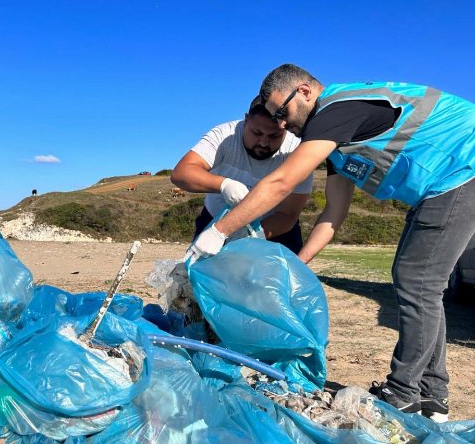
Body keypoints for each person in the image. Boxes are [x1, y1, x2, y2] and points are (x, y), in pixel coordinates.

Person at [188, 64, 475, 422]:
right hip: (443, 185)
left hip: (463, 170)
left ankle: (403, 393)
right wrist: (299, 261)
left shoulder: (336, 110)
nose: (281, 124)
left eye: (282, 112)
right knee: (420, 284)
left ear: (305, 92)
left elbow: (280, 183)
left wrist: (218, 232)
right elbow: (333, 215)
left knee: (417, 282)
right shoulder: (338, 141)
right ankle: (431, 396)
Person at [171, 97, 312, 254]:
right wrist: (224, 185)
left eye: (274, 136)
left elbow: (288, 214)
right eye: (257, 132)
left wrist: (247, 235)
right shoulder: (224, 135)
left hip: (275, 228)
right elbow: (181, 172)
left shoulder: (297, 150)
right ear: (246, 120)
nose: (264, 142)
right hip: (215, 220)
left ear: (285, 128)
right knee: (204, 276)